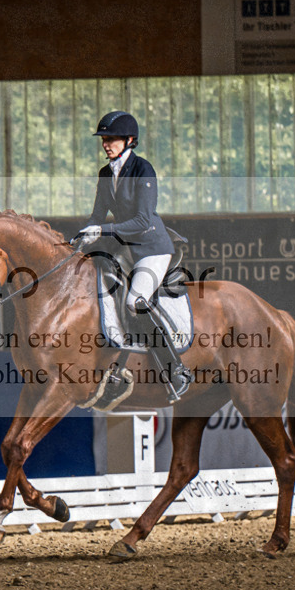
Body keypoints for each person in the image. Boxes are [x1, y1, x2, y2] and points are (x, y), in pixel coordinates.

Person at [76, 111, 191, 401]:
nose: (106, 143)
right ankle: (117, 364)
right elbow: (97, 215)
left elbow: (143, 220)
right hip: (125, 249)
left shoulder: (143, 170)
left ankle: (175, 370)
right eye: (104, 139)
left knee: (134, 301)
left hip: (152, 249)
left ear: (129, 140)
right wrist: (81, 236)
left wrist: (102, 229)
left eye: (111, 138)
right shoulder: (106, 174)